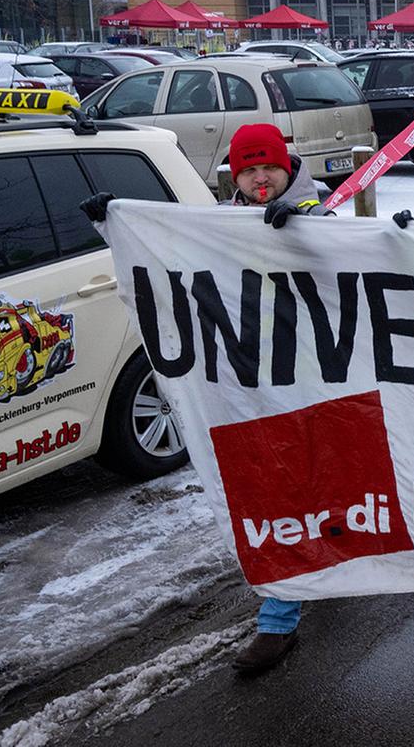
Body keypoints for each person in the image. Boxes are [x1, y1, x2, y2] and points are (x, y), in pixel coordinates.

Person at [171, 123, 330, 674]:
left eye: (269, 168)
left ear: (287, 167)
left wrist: (305, 234)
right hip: (253, 386)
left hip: (321, 383)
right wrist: (110, 224)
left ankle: (313, 588)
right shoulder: (222, 224)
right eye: (249, 169)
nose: (261, 178)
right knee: (278, 497)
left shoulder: (321, 214)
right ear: (235, 175)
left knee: (324, 491)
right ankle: (279, 619)